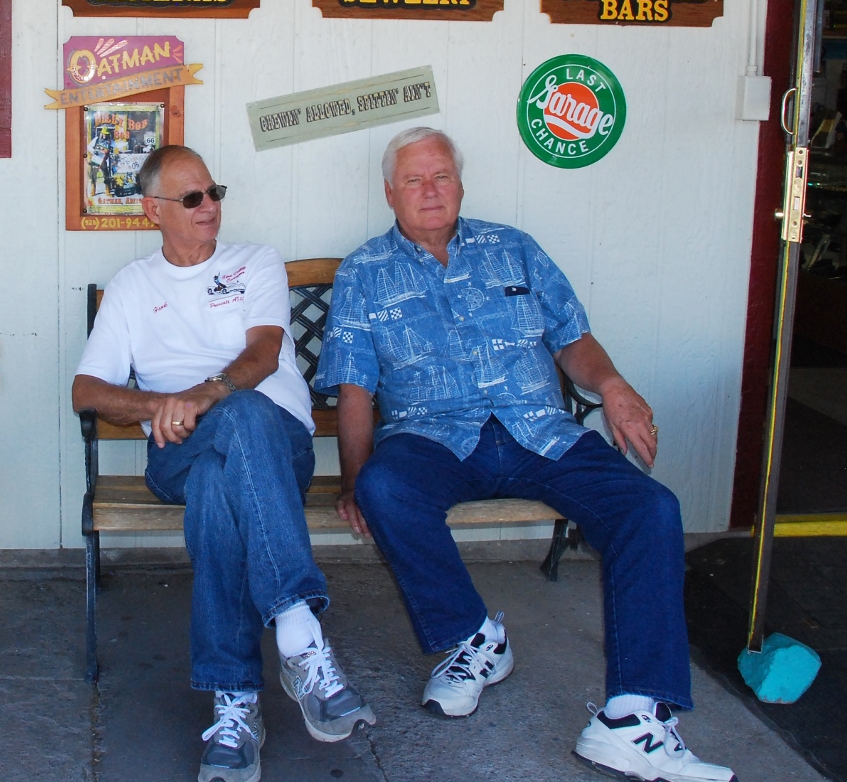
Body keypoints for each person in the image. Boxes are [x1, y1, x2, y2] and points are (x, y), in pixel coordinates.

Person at [313, 127, 736, 782]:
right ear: (389, 191)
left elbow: (573, 341)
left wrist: (613, 385)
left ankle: (632, 717)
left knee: (650, 506)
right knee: (384, 486)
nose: (431, 191)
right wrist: (352, 481)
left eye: (442, 176)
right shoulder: (364, 271)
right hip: (433, 436)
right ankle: (475, 637)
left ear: (461, 183)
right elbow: (354, 386)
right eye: (415, 180)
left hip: (541, 432)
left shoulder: (514, 248)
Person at [73, 145, 376, 782]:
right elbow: (88, 391)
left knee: (233, 439)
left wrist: (206, 395)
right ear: (154, 210)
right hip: (177, 453)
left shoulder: (254, 262)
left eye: (214, 192)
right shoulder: (132, 286)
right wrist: (163, 404)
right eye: (192, 198)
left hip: (275, 442)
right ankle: (298, 631)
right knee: (214, 461)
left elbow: (265, 354)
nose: (209, 206)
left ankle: (235, 700)